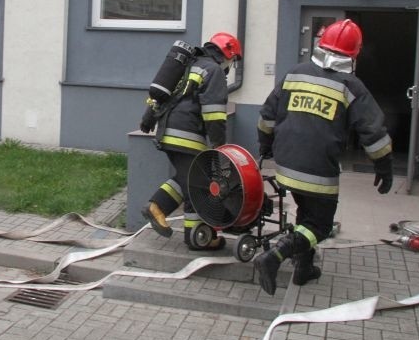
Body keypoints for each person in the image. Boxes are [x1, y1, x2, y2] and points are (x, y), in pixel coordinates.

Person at [254, 19, 393, 295]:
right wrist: (384, 166)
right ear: (353, 54)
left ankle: (303, 269)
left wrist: (266, 146)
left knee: (307, 214)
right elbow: (373, 131)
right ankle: (274, 257)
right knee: (320, 225)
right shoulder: (351, 85)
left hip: (286, 165)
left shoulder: (295, 73)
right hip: (318, 170)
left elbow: (266, 116)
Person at [139, 32, 242, 250]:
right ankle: (187, 229)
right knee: (198, 185)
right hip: (186, 135)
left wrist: (147, 120)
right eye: (232, 61)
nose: (230, 66)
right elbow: (214, 114)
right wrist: (219, 147)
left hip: (168, 130)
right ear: (227, 55)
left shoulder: (188, 65)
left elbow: (163, 96)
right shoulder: (213, 71)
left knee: (190, 181)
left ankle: (180, 224)